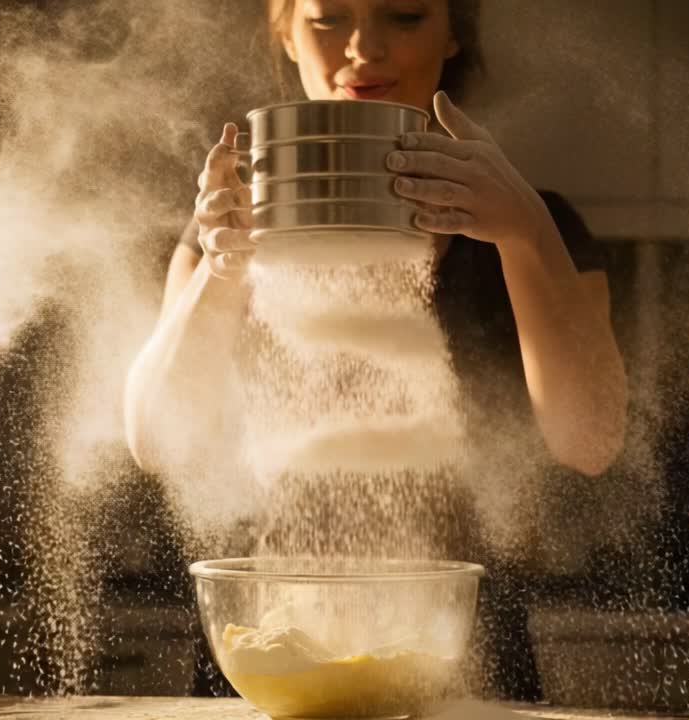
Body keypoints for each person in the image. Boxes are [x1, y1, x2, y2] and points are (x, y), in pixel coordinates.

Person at [124, 0, 629, 700]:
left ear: (453, 33)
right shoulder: (224, 229)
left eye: (404, 15)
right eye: (328, 18)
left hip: (464, 660)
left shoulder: (533, 226)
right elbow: (159, 440)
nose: (363, 49)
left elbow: (592, 439)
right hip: (268, 652)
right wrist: (221, 265)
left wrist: (525, 231)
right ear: (286, 34)